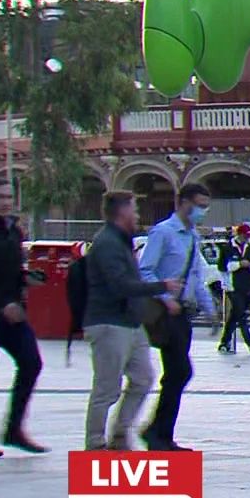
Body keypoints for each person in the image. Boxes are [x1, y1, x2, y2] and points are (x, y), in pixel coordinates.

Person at [83, 191, 181, 450]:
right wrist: (161, 287)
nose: (137, 216)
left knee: (143, 377)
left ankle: (120, 432)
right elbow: (120, 285)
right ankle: (95, 443)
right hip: (109, 321)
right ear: (122, 212)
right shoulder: (107, 243)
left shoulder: (121, 241)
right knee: (107, 387)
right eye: (135, 210)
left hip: (130, 322)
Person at [137, 183, 217, 451]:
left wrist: (209, 308)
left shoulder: (192, 236)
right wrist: (165, 296)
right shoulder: (163, 232)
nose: (202, 211)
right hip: (166, 312)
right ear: (183, 203)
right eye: (199, 205)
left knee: (177, 373)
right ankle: (158, 433)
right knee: (179, 370)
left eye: (205, 206)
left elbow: (195, 275)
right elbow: (145, 270)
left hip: (184, 312)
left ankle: (159, 432)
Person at [0, 177, 47, 457]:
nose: (6, 202)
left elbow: (10, 269)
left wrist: (26, 278)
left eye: (9, 197)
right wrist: (1, 304)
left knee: (31, 363)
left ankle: (14, 429)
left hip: (13, 314)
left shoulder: (13, 230)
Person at [217, 223, 250, 354]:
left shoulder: (249, 248)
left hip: (245, 285)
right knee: (241, 314)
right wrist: (239, 264)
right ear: (240, 235)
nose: (247, 239)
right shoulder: (227, 248)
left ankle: (224, 342)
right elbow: (223, 267)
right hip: (232, 286)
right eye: (245, 236)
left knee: (235, 315)